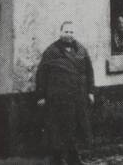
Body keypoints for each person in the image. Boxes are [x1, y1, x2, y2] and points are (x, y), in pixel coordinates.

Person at [36, 21, 95, 165]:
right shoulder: (52, 51)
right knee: (58, 129)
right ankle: (58, 159)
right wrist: (41, 96)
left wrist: (90, 92)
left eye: (71, 32)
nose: (69, 35)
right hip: (59, 98)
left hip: (77, 97)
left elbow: (89, 72)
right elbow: (41, 74)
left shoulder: (81, 50)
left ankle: (74, 158)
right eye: (66, 32)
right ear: (61, 33)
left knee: (75, 128)